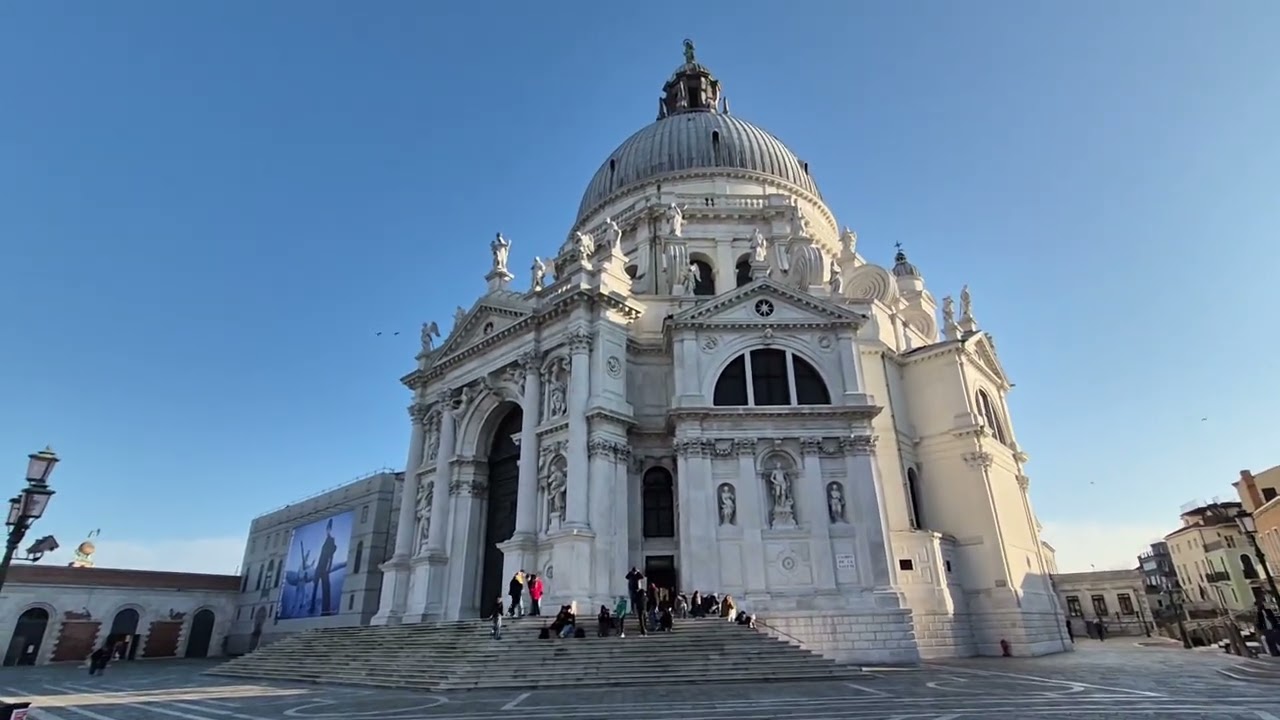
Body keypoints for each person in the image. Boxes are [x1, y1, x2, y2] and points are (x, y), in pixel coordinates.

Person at [310, 518, 338, 616]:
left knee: (326, 589)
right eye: (327, 529)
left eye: (329, 529)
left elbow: (331, 556)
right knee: (315, 588)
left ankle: (325, 610)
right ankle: (312, 607)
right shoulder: (326, 540)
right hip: (319, 567)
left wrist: (328, 568)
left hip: (324, 568)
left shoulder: (331, 541)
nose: (327, 531)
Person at [625, 566, 649, 636]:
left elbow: (642, 577)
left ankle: (643, 631)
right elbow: (626, 577)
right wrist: (631, 572)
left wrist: (638, 572)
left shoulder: (637, 576)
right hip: (632, 590)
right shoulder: (631, 575)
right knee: (632, 600)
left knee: (641, 618)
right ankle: (633, 610)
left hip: (636, 590)